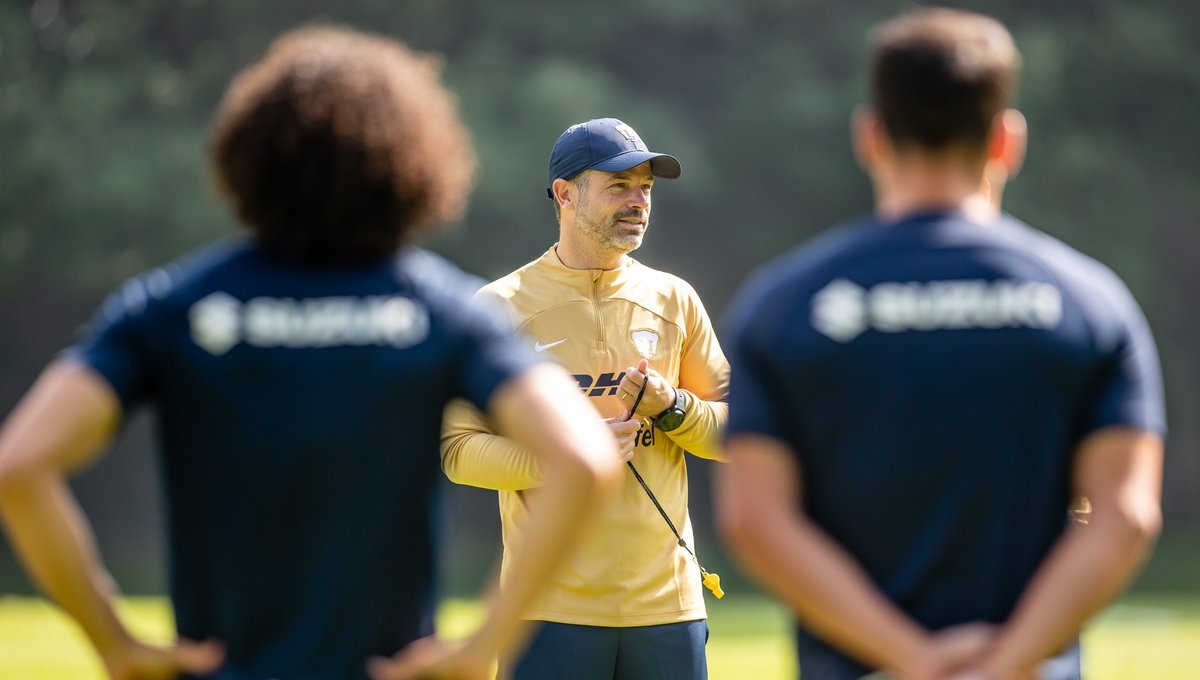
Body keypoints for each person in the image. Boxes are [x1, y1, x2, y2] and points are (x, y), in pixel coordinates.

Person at [0, 26, 621, 680]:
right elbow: (582, 460)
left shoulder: (169, 307)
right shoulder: (439, 309)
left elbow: (18, 467)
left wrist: (115, 643)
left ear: (246, 157)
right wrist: (480, 646)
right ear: (413, 161)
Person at [716, 8, 1165, 680]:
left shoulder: (784, 305)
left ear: (870, 138)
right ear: (1006, 140)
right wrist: (1007, 663)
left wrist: (913, 660)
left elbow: (756, 519)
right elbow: (1124, 516)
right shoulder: (1089, 304)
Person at [441, 117, 730, 680]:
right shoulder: (499, 306)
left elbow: (737, 436)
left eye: (645, 187)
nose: (638, 201)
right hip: (547, 610)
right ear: (565, 194)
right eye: (618, 185)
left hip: (667, 609)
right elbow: (457, 452)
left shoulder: (675, 299)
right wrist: (570, 460)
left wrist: (673, 408)